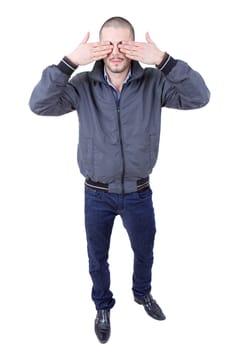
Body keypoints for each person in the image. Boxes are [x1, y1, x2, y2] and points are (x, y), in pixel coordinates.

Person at [29, 16, 210, 344]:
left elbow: (200, 97)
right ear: (97, 49)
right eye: (107, 44)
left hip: (139, 192)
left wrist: (165, 61)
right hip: (96, 194)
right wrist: (69, 62)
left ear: (135, 46)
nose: (115, 51)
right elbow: (39, 104)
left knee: (144, 251)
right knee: (97, 256)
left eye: (123, 43)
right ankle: (102, 306)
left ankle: (142, 295)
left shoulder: (155, 82)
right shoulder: (82, 86)